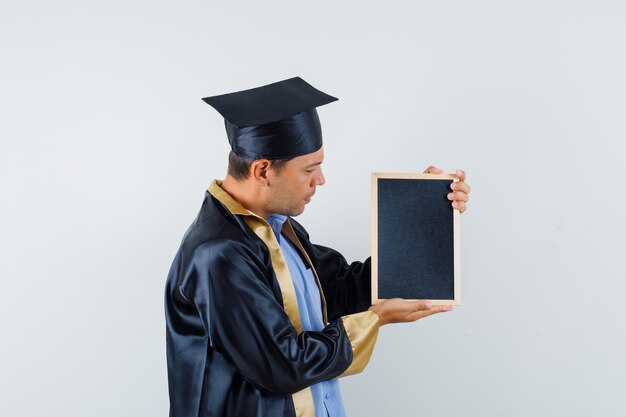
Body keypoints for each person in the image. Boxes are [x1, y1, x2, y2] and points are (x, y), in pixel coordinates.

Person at [165, 77, 471, 417]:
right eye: (309, 169)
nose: (320, 180)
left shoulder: (279, 230)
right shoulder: (218, 253)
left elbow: (341, 289)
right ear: (263, 170)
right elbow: (282, 365)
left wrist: (423, 210)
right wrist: (374, 320)